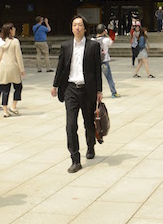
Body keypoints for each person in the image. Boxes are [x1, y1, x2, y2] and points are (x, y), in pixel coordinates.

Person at [51, 15, 103, 173]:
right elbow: (60, 67)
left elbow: (97, 70)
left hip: (88, 90)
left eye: (80, 25)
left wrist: (99, 91)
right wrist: (55, 85)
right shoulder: (66, 46)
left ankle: (91, 146)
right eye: (75, 25)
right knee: (71, 125)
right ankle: (75, 159)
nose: (77, 27)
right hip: (70, 89)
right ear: (72, 28)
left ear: (85, 28)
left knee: (88, 123)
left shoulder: (93, 46)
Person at [0, 23, 26, 118]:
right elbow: (18, 56)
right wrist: (22, 69)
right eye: (13, 28)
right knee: (18, 87)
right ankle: (13, 106)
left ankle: (5, 111)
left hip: (3, 67)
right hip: (13, 67)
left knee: (5, 89)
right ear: (10, 30)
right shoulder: (15, 41)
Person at [95, 24, 120, 98]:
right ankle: (113, 92)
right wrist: (106, 34)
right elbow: (111, 42)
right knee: (109, 78)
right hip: (104, 61)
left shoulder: (93, 40)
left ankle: (95, 92)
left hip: (95, 62)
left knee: (96, 79)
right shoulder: (105, 40)